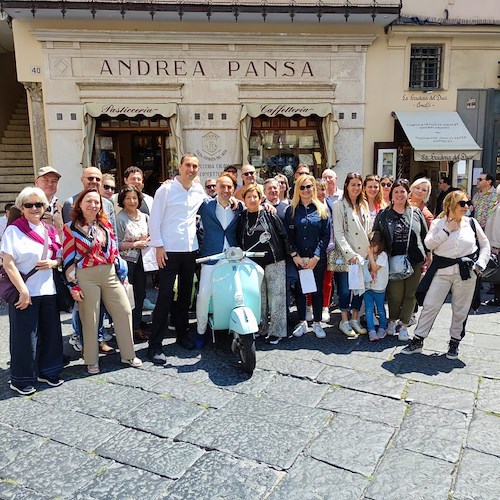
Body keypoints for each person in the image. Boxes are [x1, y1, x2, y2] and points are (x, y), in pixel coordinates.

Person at [62, 188, 142, 374]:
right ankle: (91, 359)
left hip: (110, 273)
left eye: (96, 202)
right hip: (85, 275)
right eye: (88, 201)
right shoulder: (70, 228)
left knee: (123, 310)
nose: (93, 205)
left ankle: (128, 354)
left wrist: (122, 275)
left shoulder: (105, 225)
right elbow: (67, 258)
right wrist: (72, 285)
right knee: (90, 318)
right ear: (79, 205)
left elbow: (114, 252)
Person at [403, 190, 490, 359]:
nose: (466, 207)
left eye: (467, 203)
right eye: (462, 203)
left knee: (460, 309)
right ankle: (418, 339)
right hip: (442, 271)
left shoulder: (471, 223)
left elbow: (485, 245)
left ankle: (454, 342)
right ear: (451, 205)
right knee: (430, 305)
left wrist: (480, 264)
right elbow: (429, 244)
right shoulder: (438, 223)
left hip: (466, 272)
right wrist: (447, 231)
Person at [1, 187, 64, 395]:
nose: (35, 208)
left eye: (39, 204)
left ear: (45, 206)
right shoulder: (14, 230)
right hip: (24, 291)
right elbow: (8, 263)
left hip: (48, 290)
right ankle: (21, 378)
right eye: (29, 205)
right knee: (25, 337)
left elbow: (59, 257)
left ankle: (48, 370)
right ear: (21, 207)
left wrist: (53, 263)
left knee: (51, 334)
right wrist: (23, 291)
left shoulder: (49, 230)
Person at [148, 153, 207, 364]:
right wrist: (158, 247)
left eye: (195, 166)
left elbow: (214, 201)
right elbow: (154, 219)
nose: (191, 169)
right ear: (180, 166)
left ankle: (182, 333)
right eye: (188, 165)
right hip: (169, 250)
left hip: (190, 250)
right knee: (164, 297)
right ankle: (155, 344)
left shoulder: (198, 190)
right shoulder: (165, 189)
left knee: (185, 296)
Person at [62, 167, 115, 355]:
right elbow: (69, 235)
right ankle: (80, 338)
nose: (94, 181)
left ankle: (98, 339)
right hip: (81, 268)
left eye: (98, 179)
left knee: (99, 305)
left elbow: (111, 232)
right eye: (90, 178)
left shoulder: (106, 203)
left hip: (103, 266)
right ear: (82, 179)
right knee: (83, 308)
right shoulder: (70, 202)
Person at [373, 179, 430, 342]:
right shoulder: (384, 214)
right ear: (391, 194)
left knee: (410, 294)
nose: (399, 195)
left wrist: (429, 255)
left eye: (402, 192)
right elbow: (375, 235)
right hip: (392, 260)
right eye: (396, 191)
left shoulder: (415, 212)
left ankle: (404, 325)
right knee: (395, 294)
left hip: (415, 259)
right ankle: (392, 320)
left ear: (408, 194)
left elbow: (425, 235)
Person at [238, 183, 292, 344]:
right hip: (252, 263)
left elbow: (283, 234)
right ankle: (261, 328)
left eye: (255, 196)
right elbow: (238, 238)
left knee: (277, 298)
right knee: (257, 298)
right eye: (249, 197)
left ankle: (277, 331)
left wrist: (291, 254)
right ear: (244, 200)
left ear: (261, 198)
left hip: (275, 260)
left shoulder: (270, 214)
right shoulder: (242, 217)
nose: (252, 199)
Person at [196, 172, 245, 345]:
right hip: (211, 256)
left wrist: (267, 206)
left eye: (229, 187)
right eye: (222, 186)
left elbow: (256, 210)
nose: (225, 190)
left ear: (234, 189)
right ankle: (201, 331)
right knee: (203, 295)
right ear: (216, 187)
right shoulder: (205, 206)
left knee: (237, 293)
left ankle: (237, 328)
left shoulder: (240, 207)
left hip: (233, 257)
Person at [285, 175, 330, 339]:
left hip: (316, 259)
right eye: (302, 187)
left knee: (317, 291)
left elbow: (325, 236)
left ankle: (317, 322)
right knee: (300, 291)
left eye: (309, 186)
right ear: (297, 189)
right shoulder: (291, 211)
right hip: (298, 259)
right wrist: (295, 255)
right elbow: (287, 236)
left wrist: (316, 256)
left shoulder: (321, 209)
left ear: (314, 188)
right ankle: (302, 321)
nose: (306, 190)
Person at [333, 172, 371, 337]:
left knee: (359, 289)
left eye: (358, 184)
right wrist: (350, 253)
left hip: (362, 255)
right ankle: (344, 320)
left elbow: (368, 230)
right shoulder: (339, 205)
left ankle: (355, 319)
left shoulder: (364, 205)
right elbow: (339, 233)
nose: (356, 187)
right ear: (346, 186)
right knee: (344, 291)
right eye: (353, 184)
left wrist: (368, 253)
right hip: (346, 255)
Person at [116, 185, 151, 341]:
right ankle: (126, 329)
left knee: (140, 294)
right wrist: (135, 244)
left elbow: (151, 235)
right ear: (122, 200)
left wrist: (147, 241)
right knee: (126, 296)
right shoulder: (120, 218)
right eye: (128, 198)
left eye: (134, 198)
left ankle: (137, 326)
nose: (132, 201)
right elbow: (116, 244)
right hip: (126, 263)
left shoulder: (144, 216)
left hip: (143, 261)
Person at [364, 231, 389, 342]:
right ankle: (371, 330)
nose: (372, 248)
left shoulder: (382, 255)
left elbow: (374, 268)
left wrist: (370, 255)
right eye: (370, 246)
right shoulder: (369, 254)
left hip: (379, 287)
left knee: (380, 308)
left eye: (374, 246)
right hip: (367, 286)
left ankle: (382, 327)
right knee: (369, 309)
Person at [483, 184, 500, 307]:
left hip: (497, 245)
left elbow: (497, 228)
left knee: (497, 273)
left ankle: (498, 298)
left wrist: (495, 245)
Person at [35, 166, 64, 237]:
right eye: (46, 180)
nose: (50, 184)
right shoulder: (26, 207)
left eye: (54, 181)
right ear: (36, 182)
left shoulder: (60, 206)